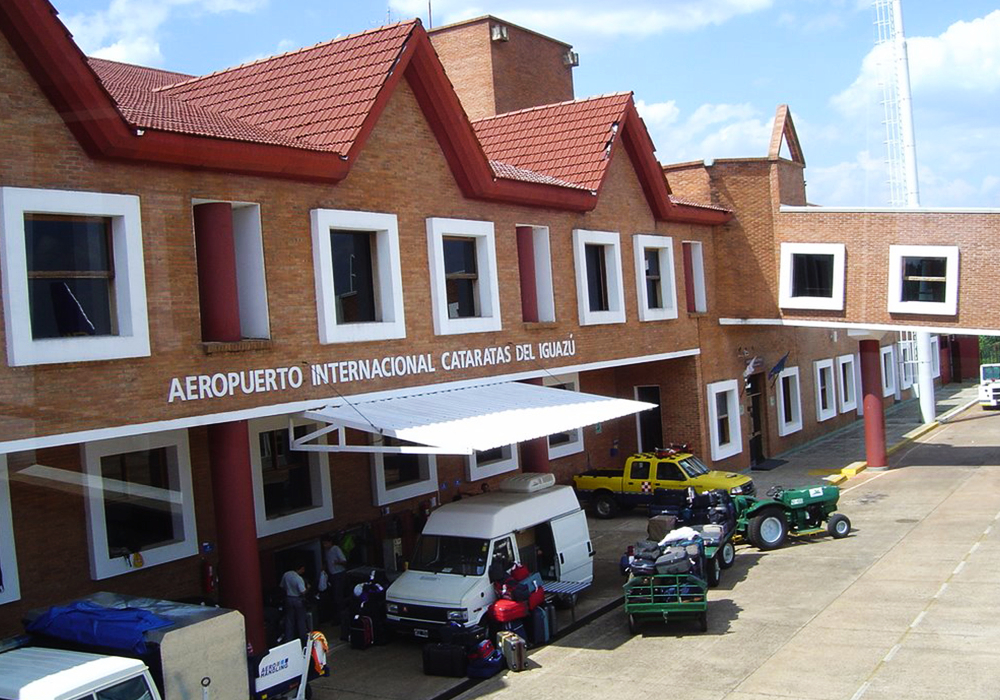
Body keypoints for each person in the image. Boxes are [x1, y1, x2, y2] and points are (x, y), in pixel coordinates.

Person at [280, 562, 309, 644]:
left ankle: (288, 639)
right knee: (301, 620)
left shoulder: (286, 575)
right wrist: (308, 588)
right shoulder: (298, 578)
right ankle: (303, 638)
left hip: (289, 598)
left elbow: (282, 586)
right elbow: (303, 592)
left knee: (289, 620)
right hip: (298, 599)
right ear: (300, 568)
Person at [321, 535, 347, 621]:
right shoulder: (326, 551)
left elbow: (344, 561)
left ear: (330, 542)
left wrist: (337, 562)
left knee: (338, 595)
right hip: (332, 574)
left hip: (339, 573)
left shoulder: (336, 549)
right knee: (334, 594)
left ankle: (341, 616)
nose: (324, 545)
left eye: (326, 543)